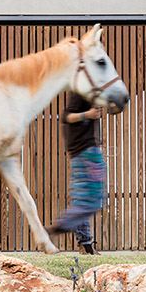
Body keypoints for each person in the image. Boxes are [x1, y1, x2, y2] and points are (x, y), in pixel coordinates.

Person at [46, 91, 106, 255]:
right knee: (93, 198)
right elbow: (66, 116)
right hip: (85, 151)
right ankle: (65, 226)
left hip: (83, 150)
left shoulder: (88, 91)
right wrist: (89, 114)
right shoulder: (80, 91)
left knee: (85, 199)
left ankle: (84, 243)